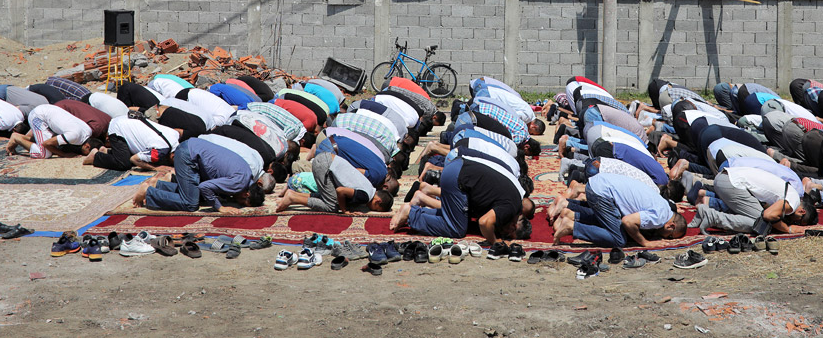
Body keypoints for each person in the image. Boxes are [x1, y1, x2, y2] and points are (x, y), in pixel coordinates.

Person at [390, 156, 531, 244]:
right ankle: (411, 213)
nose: (503, 232)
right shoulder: (510, 207)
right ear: (514, 226)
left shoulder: (513, 200)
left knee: (459, 218)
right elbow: (484, 222)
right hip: (458, 178)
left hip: (458, 167)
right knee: (456, 229)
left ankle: (414, 209)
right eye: (508, 234)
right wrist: (496, 241)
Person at [550, 172, 687, 248]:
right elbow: (628, 221)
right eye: (669, 235)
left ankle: (573, 215)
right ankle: (572, 227)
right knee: (619, 239)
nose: (665, 237)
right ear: (671, 226)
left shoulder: (663, 205)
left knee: (612, 224)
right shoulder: (660, 218)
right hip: (600, 192)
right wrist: (645, 243)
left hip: (599, 184)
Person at [135, 137, 267, 212]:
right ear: (246, 194)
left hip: (193, 149)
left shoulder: (247, 174)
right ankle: (149, 192)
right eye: (243, 202)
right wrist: (220, 208)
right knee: (190, 203)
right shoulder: (239, 183)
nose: (238, 202)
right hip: (189, 156)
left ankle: (159, 185)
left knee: (198, 196)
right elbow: (204, 187)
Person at [692, 164, 815, 234]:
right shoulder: (793, 203)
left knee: (753, 214)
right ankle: (712, 217)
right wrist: (788, 229)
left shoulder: (791, 193)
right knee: (760, 224)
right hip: (731, 183)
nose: (794, 222)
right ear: (801, 212)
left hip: (725, 177)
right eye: (798, 221)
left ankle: (703, 212)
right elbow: (768, 215)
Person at [275, 151, 393, 214]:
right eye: (376, 209)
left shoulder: (369, 187)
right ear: (378, 201)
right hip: (324, 165)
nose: (372, 210)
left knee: (330, 198)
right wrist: (345, 211)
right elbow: (340, 191)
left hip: (326, 160)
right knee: (332, 206)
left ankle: (292, 194)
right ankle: (292, 199)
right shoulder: (365, 196)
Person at [84, 114, 180, 171]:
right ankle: (96, 156)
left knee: (134, 153)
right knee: (124, 164)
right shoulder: (159, 151)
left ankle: (107, 152)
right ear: (173, 156)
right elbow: (134, 159)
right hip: (118, 128)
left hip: (126, 121)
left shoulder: (175, 135)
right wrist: (155, 168)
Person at [5, 104, 102, 158]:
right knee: (44, 154)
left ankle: (24, 139)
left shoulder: (88, 131)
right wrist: (63, 154)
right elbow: (46, 144)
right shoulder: (74, 136)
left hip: (48, 111)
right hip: (38, 116)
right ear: (87, 146)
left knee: (55, 144)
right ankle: (17, 138)